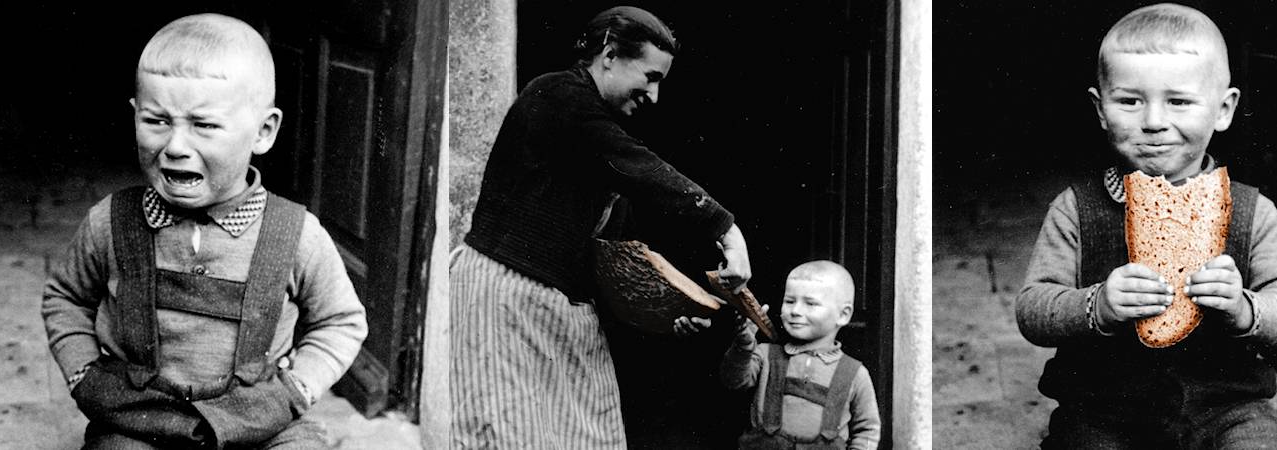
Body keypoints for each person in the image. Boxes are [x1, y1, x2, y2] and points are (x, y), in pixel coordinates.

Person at [41, 14, 368, 449]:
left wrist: (299, 388)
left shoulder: (297, 236)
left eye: (205, 125)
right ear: (136, 115)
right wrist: (83, 373)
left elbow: (341, 321)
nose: (175, 146)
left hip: (260, 421)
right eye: (157, 121)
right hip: (139, 417)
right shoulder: (110, 222)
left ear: (264, 132)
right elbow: (65, 297)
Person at [448, 5, 752, 448]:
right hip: (506, 300)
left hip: (559, 313)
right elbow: (643, 170)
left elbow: (615, 256)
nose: (654, 95)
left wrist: (668, 309)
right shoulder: (557, 96)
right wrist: (728, 231)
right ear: (609, 54)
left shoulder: (594, 130)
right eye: (650, 77)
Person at [1015, 3, 1277, 448]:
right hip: (1103, 410)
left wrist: (1245, 307)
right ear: (1101, 110)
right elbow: (1033, 310)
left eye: (1178, 101)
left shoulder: (1253, 211)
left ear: (1223, 109)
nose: (1154, 122)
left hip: (1226, 409)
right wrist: (1095, 305)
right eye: (1130, 101)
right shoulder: (1076, 210)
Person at [720, 261, 880, 449]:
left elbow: (867, 430)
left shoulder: (855, 373)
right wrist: (744, 345)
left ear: (843, 315)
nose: (795, 311)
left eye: (811, 303)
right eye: (789, 301)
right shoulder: (765, 355)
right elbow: (733, 381)